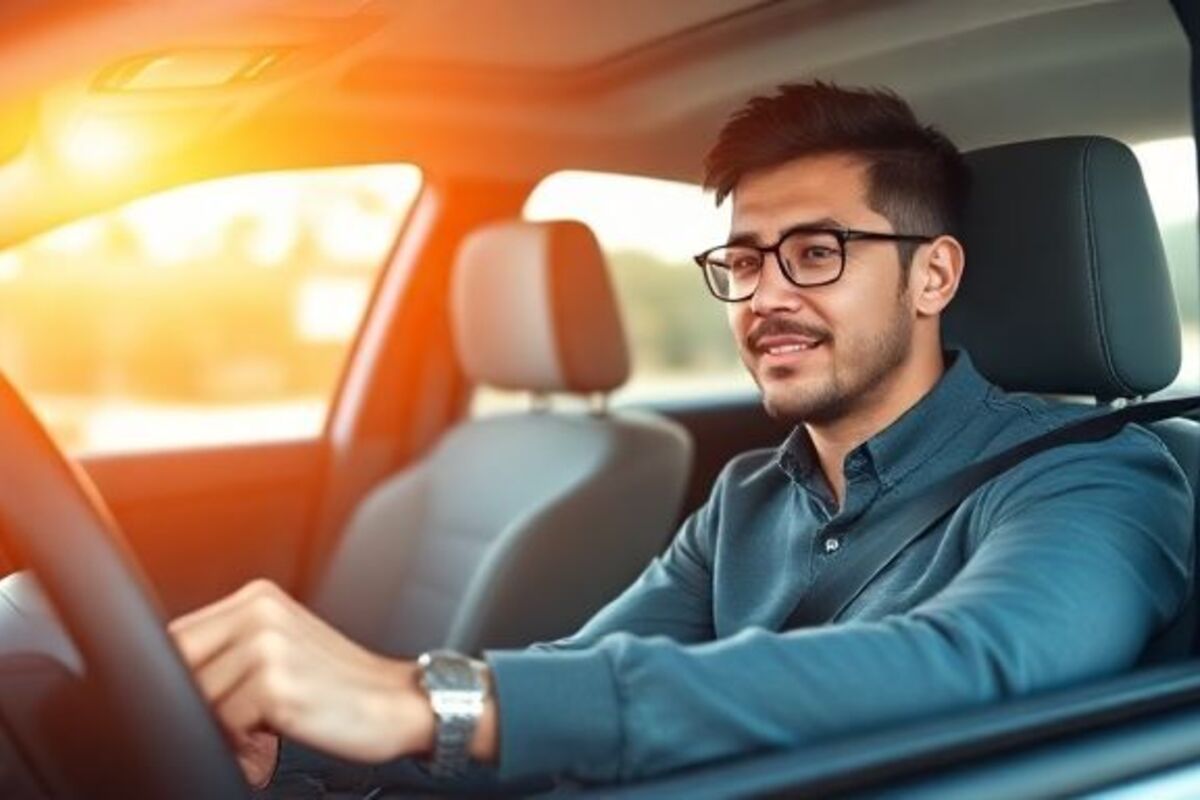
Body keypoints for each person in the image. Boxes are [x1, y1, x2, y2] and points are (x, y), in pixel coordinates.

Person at [169, 83, 1193, 795]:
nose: (766, 296)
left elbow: (974, 663)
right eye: (743, 262)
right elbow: (584, 666)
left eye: (816, 252)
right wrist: (310, 745)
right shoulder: (751, 494)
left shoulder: (1097, 480)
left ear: (933, 277)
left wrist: (429, 699)